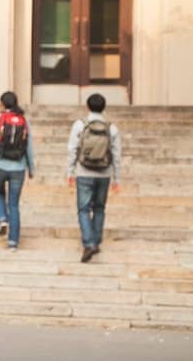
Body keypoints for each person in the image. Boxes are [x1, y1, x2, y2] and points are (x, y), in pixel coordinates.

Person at [0, 91, 36, 251]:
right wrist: (31, 168)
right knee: (14, 204)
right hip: (18, 167)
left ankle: (3, 219)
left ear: (1, 104)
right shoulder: (23, 120)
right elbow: (29, 147)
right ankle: (13, 242)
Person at [67, 93, 122, 263]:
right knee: (99, 208)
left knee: (83, 209)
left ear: (87, 106)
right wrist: (116, 178)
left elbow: (72, 149)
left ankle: (88, 243)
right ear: (103, 107)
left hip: (84, 172)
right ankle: (96, 242)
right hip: (104, 174)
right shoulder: (111, 128)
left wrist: (70, 171)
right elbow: (116, 154)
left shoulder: (80, 125)